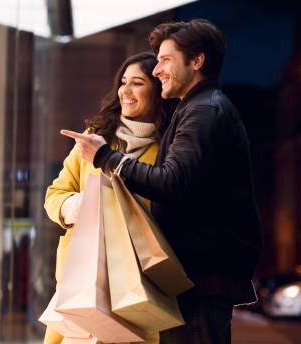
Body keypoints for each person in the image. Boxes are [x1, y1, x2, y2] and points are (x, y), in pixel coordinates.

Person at [62, 19, 262, 344]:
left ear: (197, 61)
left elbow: (172, 182)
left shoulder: (205, 112)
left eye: (166, 59)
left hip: (201, 276)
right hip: (195, 275)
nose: (157, 70)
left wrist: (105, 159)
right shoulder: (197, 109)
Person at [44, 52, 172, 344]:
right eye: (123, 82)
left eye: (137, 83)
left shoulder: (168, 149)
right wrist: (82, 206)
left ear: (157, 91)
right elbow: (55, 195)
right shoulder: (95, 137)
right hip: (82, 279)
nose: (125, 91)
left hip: (137, 284)